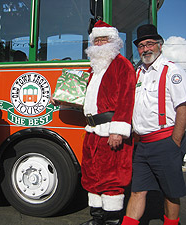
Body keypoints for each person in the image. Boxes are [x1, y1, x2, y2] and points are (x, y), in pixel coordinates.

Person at [122, 24, 186, 225]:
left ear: (160, 45)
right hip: (142, 145)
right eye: (141, 45)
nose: (145, 49)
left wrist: (174, 143)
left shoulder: (172, 70)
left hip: (165, 142)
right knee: (137, 191)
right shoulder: (138, 72)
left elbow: (183, 108)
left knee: (170, 193)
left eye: (149, 44)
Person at [80, 20, 136, 225]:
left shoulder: (122, 65)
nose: (100, 43)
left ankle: (112, 220)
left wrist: (118, 131)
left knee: (112, 178)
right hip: (92, 131)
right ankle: (97, 218)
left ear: (114, 41)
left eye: (105, 39)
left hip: (110, 130)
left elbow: (126, 99)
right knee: (92, 174)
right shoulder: (94, 69)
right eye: (97, 40)